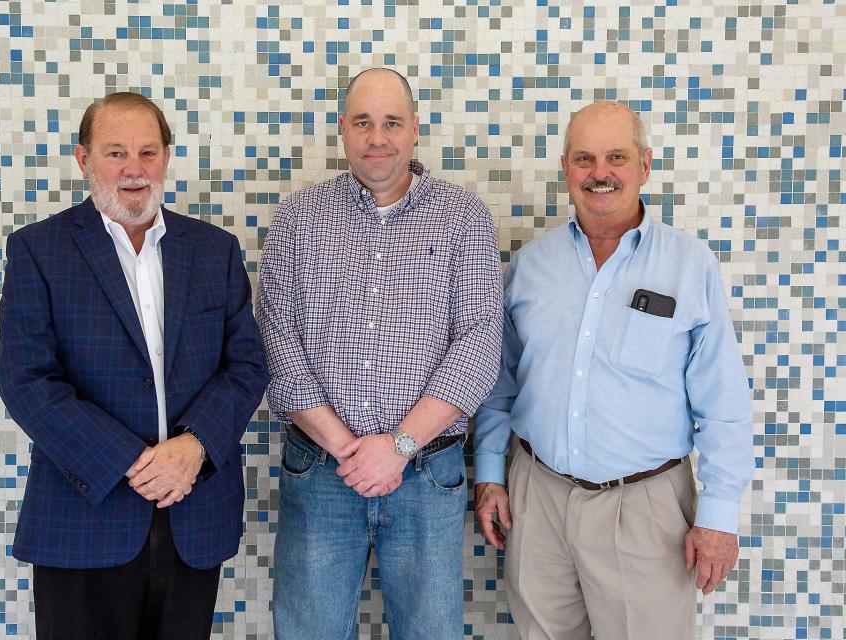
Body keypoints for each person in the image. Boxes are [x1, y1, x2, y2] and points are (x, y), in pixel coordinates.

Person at [473, 101, 754, 640]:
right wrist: (490, 475)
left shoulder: (690, 265)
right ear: (565, 169)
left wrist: (717, 515)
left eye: (616, 157)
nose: (600, 173)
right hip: (539, 498)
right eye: (584, 159)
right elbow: (498, 383)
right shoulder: (530, 266)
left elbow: (723, 403)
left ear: (645, 165)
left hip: (646, 508)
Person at [0, 92, 268, 640]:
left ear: (167, 156)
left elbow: (246, 365)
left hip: (194, 510)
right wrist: (134, 461)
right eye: (116, 153)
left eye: (147, 152)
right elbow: (27, 382)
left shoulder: (214, 250)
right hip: (84, 516)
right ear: (83, 159)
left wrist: (192, 448)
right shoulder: (38, 250)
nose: (134, 170)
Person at [257, 67, 503, 640]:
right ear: (342, 129)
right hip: (321, 469)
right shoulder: (299, 220)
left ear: (415, 129)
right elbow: (277, 343)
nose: (378, 137)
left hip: (428, 472)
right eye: (363, 122)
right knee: (309, 631)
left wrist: (397, 447)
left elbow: (480, 342)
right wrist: (352, 451)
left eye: (392, 122)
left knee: (431, 632)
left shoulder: (463, 218)